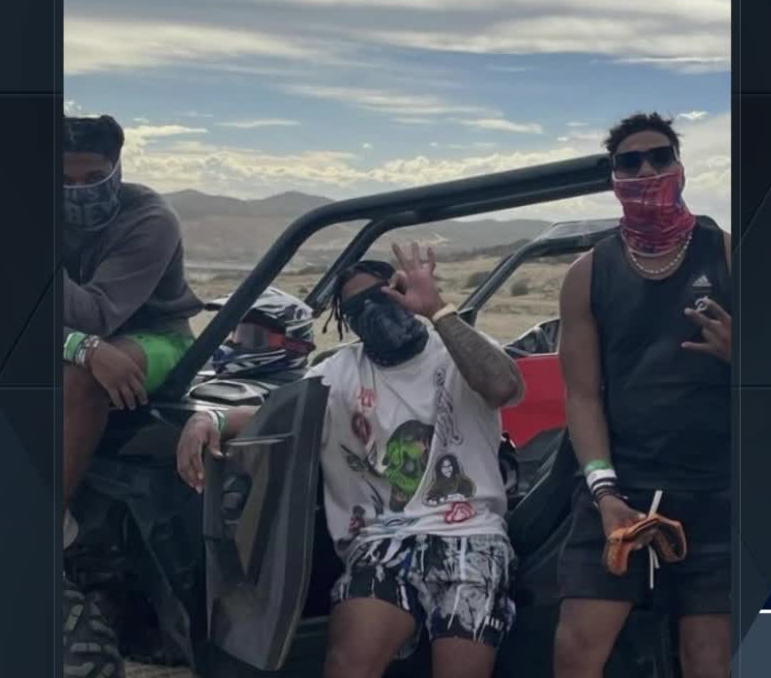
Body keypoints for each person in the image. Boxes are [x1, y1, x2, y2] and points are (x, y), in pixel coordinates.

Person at [176, 244, 525, 678]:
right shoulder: (338, 372)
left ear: (401, 291)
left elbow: (502, 387)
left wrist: (437, 309)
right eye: (356, 307)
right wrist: (211, 418)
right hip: (382, 542)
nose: (372, 312)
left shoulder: (455, 350)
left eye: (380, 296)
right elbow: (278, 413)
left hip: (470, 536)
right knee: (349, 664)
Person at [552, 112, 733, 678]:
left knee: (708, 658)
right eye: (629, 162)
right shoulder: (587, 274)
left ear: (679, 167)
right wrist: (605, 494)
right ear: (614, 177)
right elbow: (582, 397)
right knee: (577, 650)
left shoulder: (728, 253)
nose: (646, 169)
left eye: (659, 157)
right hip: (624, 491)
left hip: (716, 488)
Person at [62, 114, 204, 511]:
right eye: (67, 182)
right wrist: (80, 345)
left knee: (80, 378)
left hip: (159, 335)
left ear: (116, 169)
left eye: (94, 178)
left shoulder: (150, 219)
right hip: (75, 336)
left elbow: (93, 317)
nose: (80, 192)